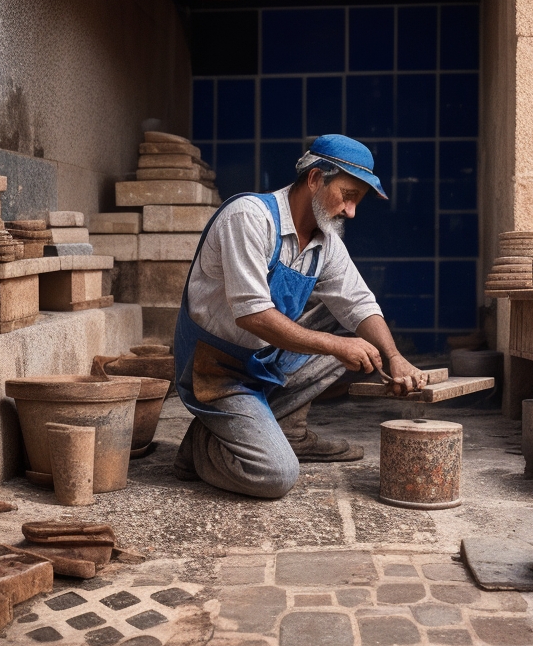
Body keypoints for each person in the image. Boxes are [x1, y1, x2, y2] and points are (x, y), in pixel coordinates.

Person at [173, 134, 428, 498]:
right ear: (314, 179)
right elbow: (253, 316)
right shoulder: (249, 218)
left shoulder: (325, 241)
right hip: (215, 371)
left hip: (264, 360)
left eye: (358, 201)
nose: (352, 211)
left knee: (360, 336)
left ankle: (287, 431)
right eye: (348, 195)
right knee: (276, 475)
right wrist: (337, 346)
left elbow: (358, 303)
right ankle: (202, 445)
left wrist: (395, 358)